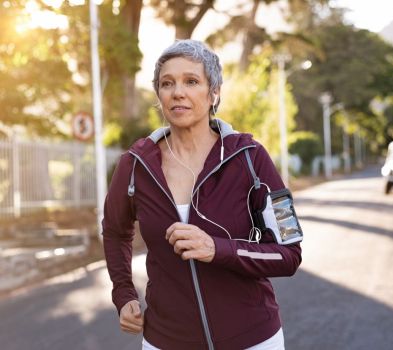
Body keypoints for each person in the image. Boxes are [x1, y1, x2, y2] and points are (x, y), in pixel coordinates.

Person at [103, 39, 302, 350]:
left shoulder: (250, 158)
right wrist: (123, 293)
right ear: (159, 95)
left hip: (252, 339)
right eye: (167, 83)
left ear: (214, 93)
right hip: (165, 341)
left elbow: (289, 253)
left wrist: (218, 249)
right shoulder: (135, 164)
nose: (177, 92)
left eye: (191, 81)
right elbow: (115, 232)